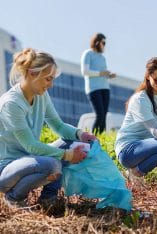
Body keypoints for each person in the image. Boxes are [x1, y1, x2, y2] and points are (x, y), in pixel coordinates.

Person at [0, 48, 96, 208]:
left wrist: (80, 134)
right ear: (32, 73)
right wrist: (67, 155)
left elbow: (58, 125)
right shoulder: (11, 104)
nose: (51, 85)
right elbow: (30, 145)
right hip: (5, 169)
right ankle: (14, 198)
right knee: (52, 164)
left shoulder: (41, 95)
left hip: (30, 158)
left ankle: (48, 199)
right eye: (47, 79)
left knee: (72, 142)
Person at [81, 33, 116, 134]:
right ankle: (93, 139)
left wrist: (109, 75)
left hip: (105, 88)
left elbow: (102, 73)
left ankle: (101, 139)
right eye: (103, 43)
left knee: (104, 115)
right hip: (93, 89)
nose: (104, 45)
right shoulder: (88, 54)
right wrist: (101, 73)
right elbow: (85, 71)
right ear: (97, 42)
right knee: (99, 114)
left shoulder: (102, 58)